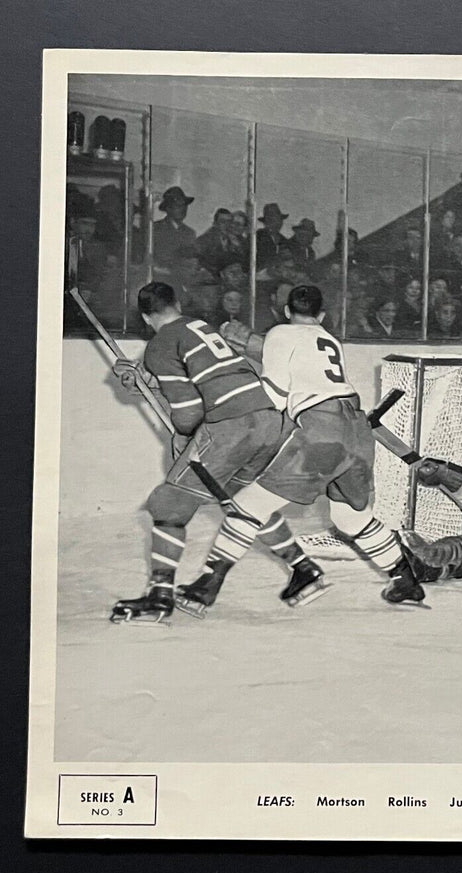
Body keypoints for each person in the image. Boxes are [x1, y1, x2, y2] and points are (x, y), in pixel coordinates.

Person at [179, 284, 427, 612]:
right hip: (356, 429)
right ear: (322, 315)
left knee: (248, 506)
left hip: (322, 428)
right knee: (351, 519)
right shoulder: (329, 339)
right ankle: (405, 581)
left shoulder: (281, 333)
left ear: (285, 312)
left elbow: (277, 395)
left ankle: (205, 586)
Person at [108, 281, 319, 623]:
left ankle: (160, 594)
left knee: (168, 503)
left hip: (232, 425)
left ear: (145, 318)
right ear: (177, 301)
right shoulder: (199, 326)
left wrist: (185, 435)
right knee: (244, 498)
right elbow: (207, 376)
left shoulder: (160, 344)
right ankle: (303, 567)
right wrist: (143, 380)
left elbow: (189, 414)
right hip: (267, 419)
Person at [152, 186, 197, 272]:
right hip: (161, 278)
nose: (183, 209)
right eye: (178, 206)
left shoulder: (190, 233)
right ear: (168, 208)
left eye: (184, 206)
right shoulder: (155, 229)